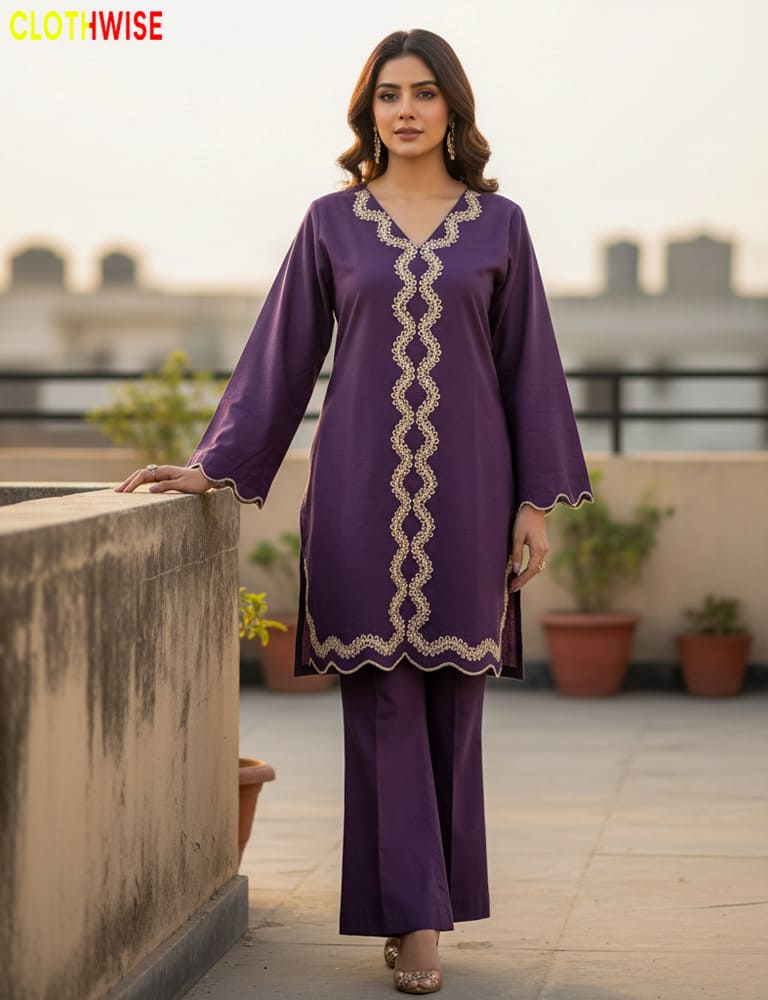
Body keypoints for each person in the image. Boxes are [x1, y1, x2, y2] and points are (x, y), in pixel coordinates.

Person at [116, 27, 593, 995]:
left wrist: (534, 504)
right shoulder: (333, 225)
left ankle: (417, 899)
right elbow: (281, 358)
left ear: (453, 108)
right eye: (388, 94)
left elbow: (529, 367)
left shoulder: (500, 229)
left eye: (423, 92)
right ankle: (417, 925)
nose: (405, 109)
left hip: (470, 496)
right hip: (358, 497)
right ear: (367, 111)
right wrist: (212, 466)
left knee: (452, 705)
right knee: (380, 700)